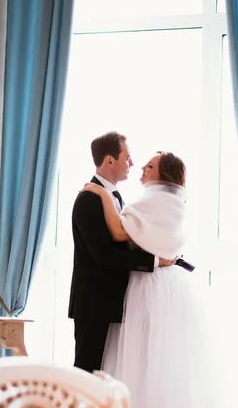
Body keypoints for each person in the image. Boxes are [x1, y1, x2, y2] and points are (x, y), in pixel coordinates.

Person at [83, 151, 238, 408]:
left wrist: (100, 193)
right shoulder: (177, 203)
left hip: (149, 287)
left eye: (149, 166)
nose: (141, 169)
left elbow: (121, 232)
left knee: (140, 364)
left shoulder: (153, 200)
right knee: (167, 370)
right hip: (173, 288)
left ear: (161, 176)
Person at [68, 132, 174, 374]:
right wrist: (154, 261)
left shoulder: (114, 197)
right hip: (93, 304)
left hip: (111, 303)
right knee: (86, 372)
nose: (132, 164)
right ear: (109, 161)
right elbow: (105, 255)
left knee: (104, 374)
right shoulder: (88, 199)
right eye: (127, 158)